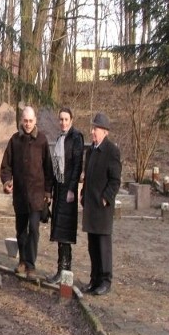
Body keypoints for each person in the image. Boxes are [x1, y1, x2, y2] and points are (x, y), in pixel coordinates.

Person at [0, 106, 54, 279]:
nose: (28, 124)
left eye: (31, 121)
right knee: (21, 230)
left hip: (37, 196)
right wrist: (7, 182)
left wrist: (47, 192)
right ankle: (22, 262)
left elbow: (48, 169)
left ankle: (31, 265)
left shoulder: (42, 141)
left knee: (34, 230)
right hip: (20, 196)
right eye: (25, 121)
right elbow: (6, 165)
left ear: (35, 121)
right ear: (21, 121)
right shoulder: (15, 140)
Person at [80, 112, 121, 296]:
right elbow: (87, 177)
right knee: (92, 246)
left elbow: (115, 180)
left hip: (102, 207)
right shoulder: (90, 151)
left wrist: (106, 197)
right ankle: (94, 279)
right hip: (90, 206)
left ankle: (105, 280)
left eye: (95, 129)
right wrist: (83, 194)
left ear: (104, 131)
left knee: (103, 246)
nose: (92, 132)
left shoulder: (112, 151)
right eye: (92, 128)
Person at [46, 108, 84, 285]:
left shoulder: (76, 137)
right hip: (59, 189)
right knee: (59, 232)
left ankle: (66, 270)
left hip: (68, 190)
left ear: (72, 120)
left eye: (66, 119)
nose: (63, 122)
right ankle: (60, 269)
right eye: (60, 119)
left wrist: (72, 189)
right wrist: (52, 190)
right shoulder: (60, 138)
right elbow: (55, 168)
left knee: (65, 233)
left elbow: (77, 165)